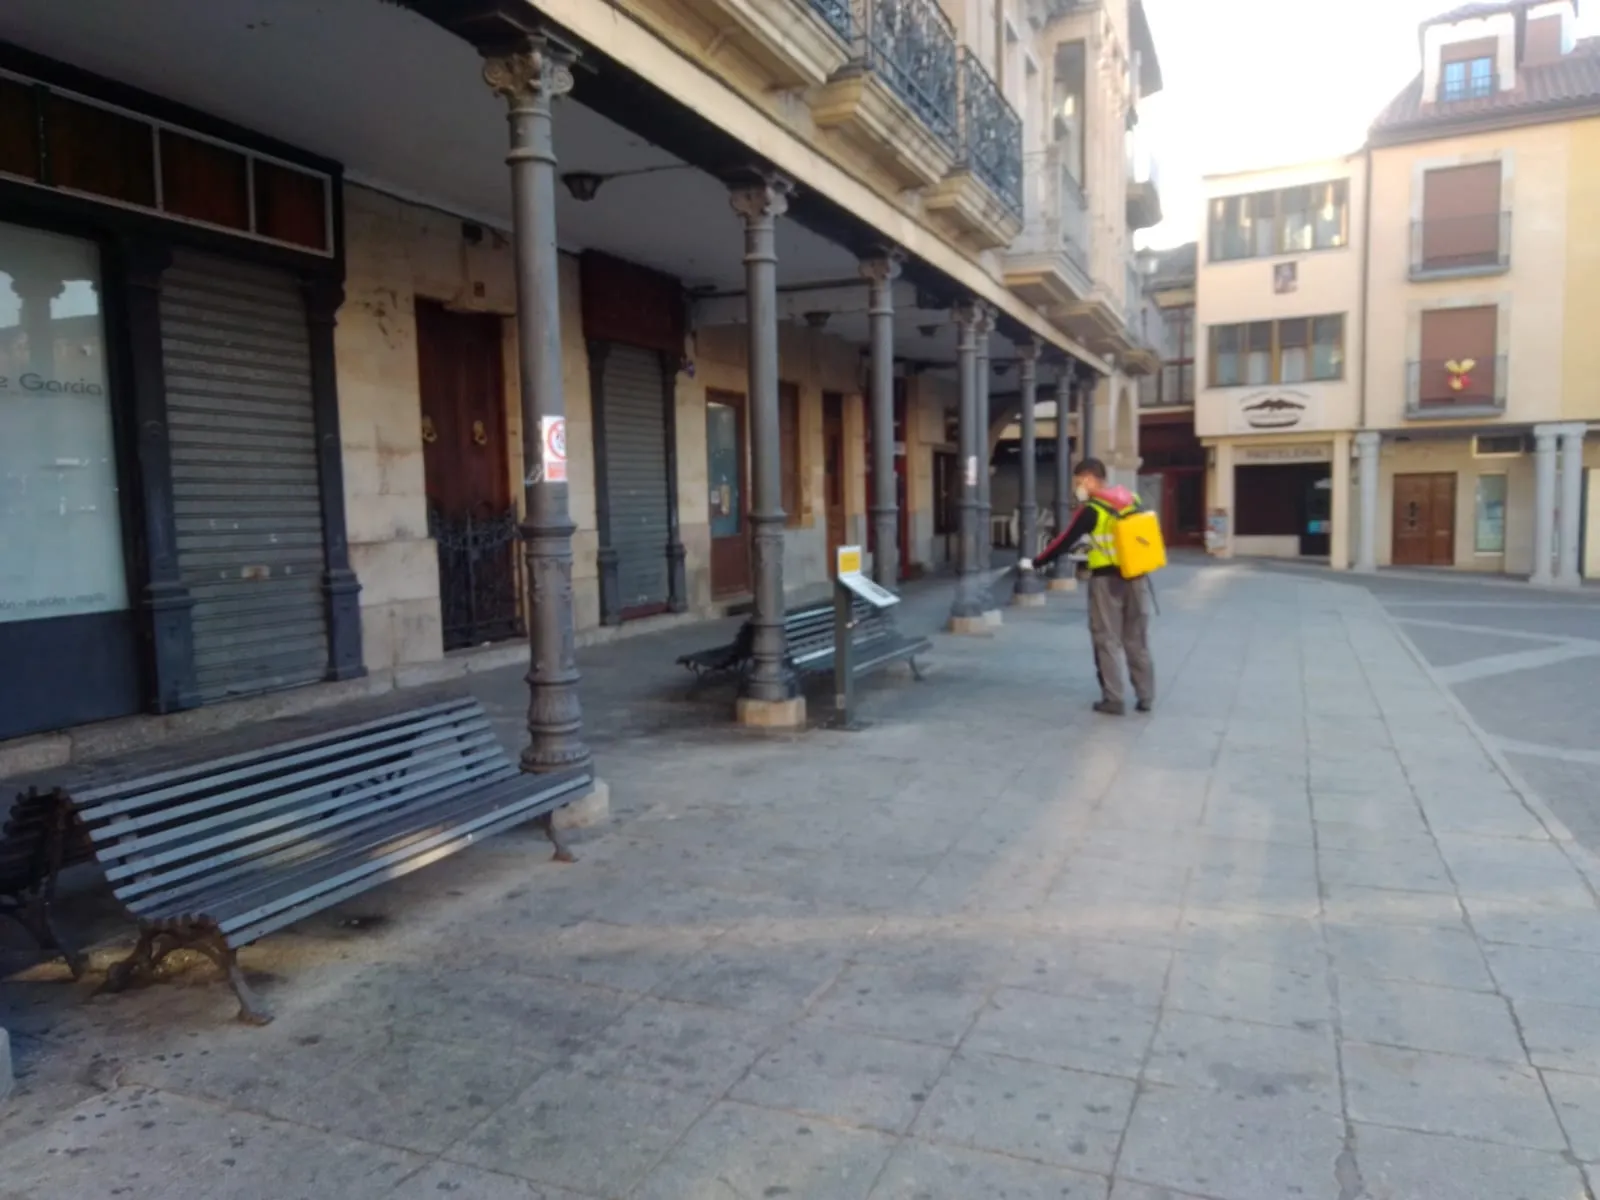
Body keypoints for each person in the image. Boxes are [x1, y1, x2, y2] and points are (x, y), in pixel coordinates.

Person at [1020, 457, 1155, 716]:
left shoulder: (1093, 509)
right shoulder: (1132, 499)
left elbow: (1064, 541)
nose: (1077, 487)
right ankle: (1145, 696)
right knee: (1136, 639)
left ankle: (1114, 699)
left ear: (1090, 479)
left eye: (1079, 482)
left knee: (1106, 638)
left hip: (1107, 581)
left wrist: (1036, 563)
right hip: (1137, 578)